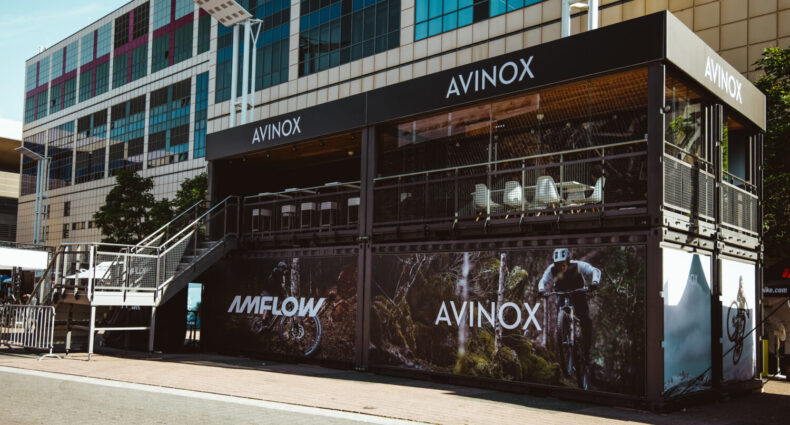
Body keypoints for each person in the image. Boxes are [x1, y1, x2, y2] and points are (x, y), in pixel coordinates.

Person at [538, 248, 601, 372]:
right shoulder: (551, 269)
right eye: (558, 265)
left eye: (563, 264)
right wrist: (541, 290)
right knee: (560, 319)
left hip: (578, 293)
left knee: (586, 320)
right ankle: (565, 342)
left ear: (568, 261)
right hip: (562, 294)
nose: (561, 267)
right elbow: (543, 280)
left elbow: (595, 270)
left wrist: (595, 282)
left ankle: (586, 354)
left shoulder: (577, 265)